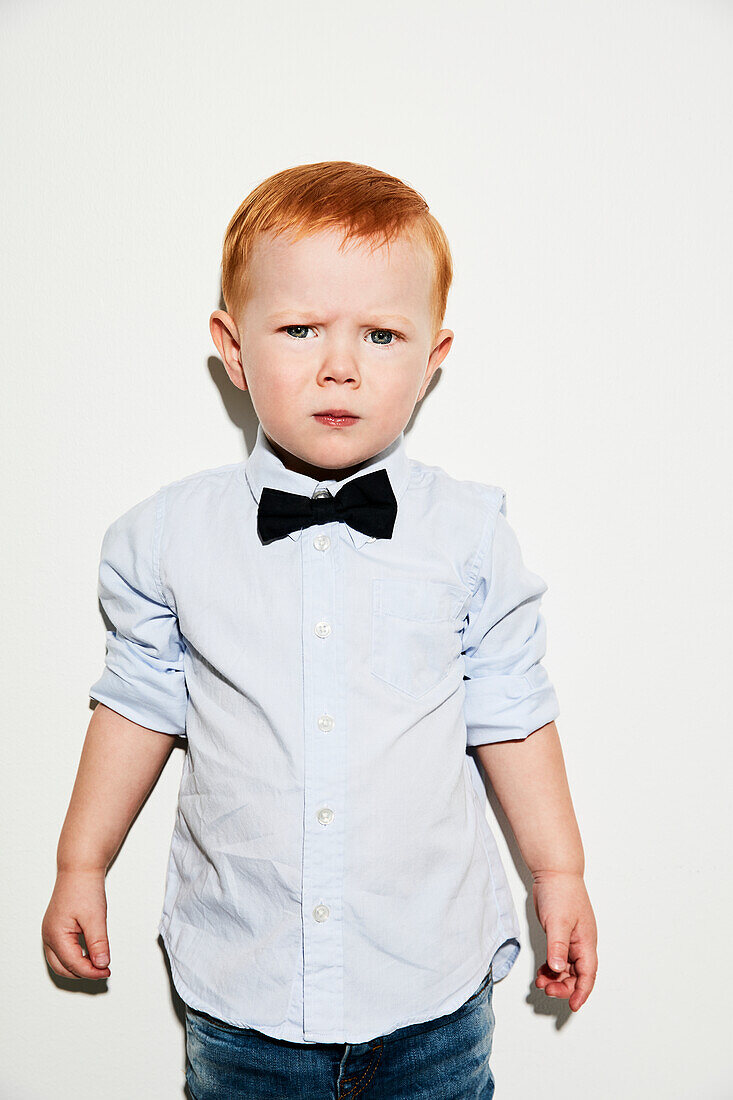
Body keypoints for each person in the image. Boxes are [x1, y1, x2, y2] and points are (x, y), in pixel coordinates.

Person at [42, 160, 598, 1099]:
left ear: (432, 358)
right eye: (300, 330)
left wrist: (560, 870)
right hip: (244, 991)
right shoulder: (167, 538)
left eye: (380, 335)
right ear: (232, 344)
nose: (340, 365)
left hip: (430, 988)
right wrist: (80, 861)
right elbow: (136, 704)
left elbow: (510, 707)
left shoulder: (468, 535)